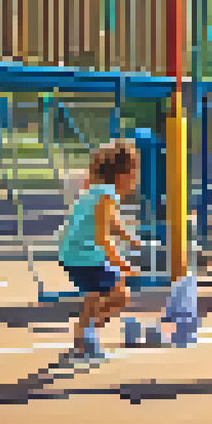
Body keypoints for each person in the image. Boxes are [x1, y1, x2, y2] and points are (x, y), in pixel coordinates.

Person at [58, 140, 143, 361]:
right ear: (122, 174)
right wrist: (123, 264)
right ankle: (86, 335)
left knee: (94, 297)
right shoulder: (107, 195)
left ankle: (83, 339)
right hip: (85, 255)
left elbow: (111, 222)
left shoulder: (96, 192)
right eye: (134, 171)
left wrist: (129, 237)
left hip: (73, 254)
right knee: (121, 295)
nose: (136, 178)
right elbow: (101, 237)